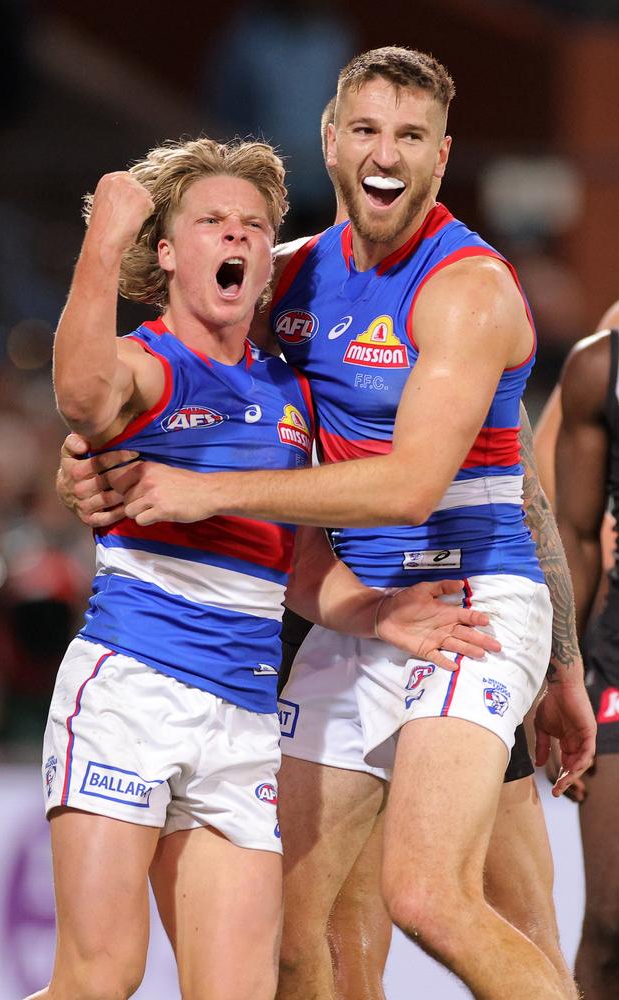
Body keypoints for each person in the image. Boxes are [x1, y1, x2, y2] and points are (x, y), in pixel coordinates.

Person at [59, 50, 595, 997]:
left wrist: (559, 664)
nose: (386, 154)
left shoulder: (467, 290)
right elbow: (173, 382)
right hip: (354, 611)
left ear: (441, 155)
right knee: (295, 942)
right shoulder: (289, 278)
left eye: (410, 136)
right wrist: (95, 460)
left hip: (469, 600)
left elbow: (417, 488)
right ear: (332, 143)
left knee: (440, 896)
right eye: (367, 130)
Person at [534, 298, 619, 1000]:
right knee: (613, 919)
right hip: (616, 658)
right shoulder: (600, 366)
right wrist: (565, 671)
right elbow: (578, 538)